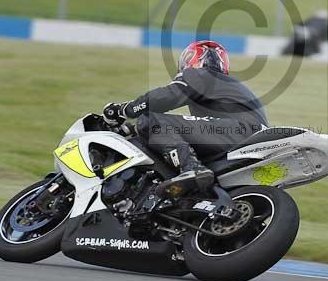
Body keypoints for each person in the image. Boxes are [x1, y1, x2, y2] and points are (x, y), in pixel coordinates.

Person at [102, 40, 268, 195]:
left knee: (151, 119)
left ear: (196, 59)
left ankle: (191, 167)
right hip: (250, 137)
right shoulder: (226, 86)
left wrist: (124, 110)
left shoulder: (201, 75)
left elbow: (164, 98)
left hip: (238, 132)